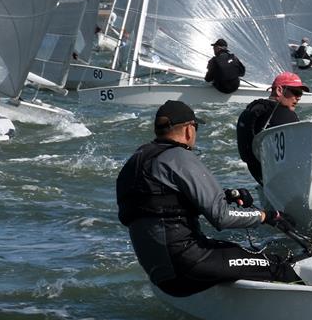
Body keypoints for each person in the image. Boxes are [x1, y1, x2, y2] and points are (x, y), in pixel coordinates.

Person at [117, 99, 299, 297]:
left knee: (234, 252)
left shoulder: (137, 161)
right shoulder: (178, 156)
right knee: (276, 264)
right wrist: (267, 216)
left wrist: (226, 196)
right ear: (188, 130)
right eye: (195, 127)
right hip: (188, 264)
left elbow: (163, 204)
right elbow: (222, 218)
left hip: (159, 272)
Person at [236, 72, 309, 186]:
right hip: (287, 182)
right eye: (296, 92)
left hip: (260, 176)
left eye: (301, 93)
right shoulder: (284, 114)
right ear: (279, 90)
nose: (298, 97)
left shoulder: (250, 111)